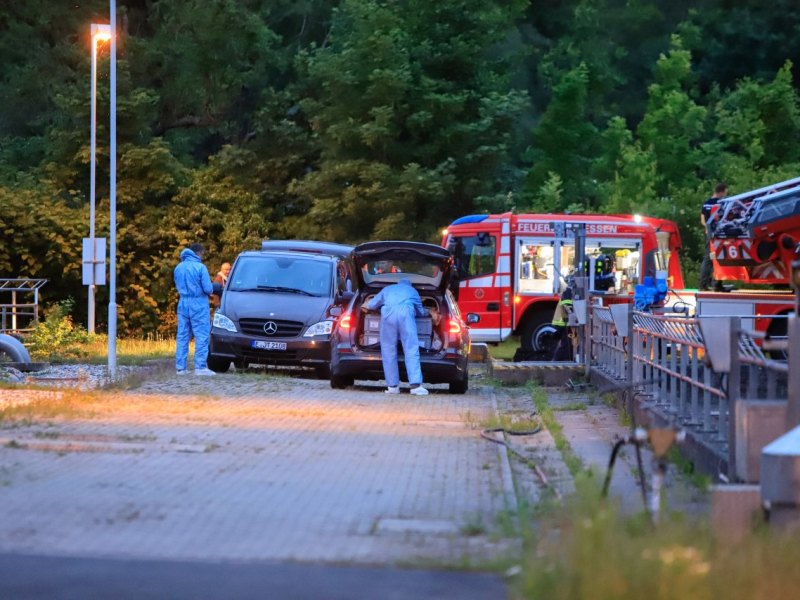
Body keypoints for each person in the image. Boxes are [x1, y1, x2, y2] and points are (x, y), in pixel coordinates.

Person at [363, 278, 430, 395]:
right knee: (411, 348)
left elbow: (372, 305)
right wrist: (428, 312)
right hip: (406, 314)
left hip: (388, 314)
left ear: (397, 284)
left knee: (388, 350)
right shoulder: (412, 291)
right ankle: (415, 386)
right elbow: (420, 312)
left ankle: (392, 387)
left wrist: (367, 304)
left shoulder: (387, 289)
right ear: (409, 284)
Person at [174, 243, 216, 376]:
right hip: (198, 303)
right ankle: (200, 367)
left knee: (182, 335)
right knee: (201, 335)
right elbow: (208, 289)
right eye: (202, 254)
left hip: (183, 302)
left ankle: (181, 368)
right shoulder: (200, 267)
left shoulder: (178, 268)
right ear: (198, 252)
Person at [699, 182, 729, 291]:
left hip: (708, 234)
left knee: (708, 258)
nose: (725, 194)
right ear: (722, 191)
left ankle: (703, 284)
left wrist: (708, 228)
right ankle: (717, 284)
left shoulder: (706, 204)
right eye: (725, 192)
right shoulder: (722, 203)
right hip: (719, 235)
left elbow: (702, 220)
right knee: (720, 258)